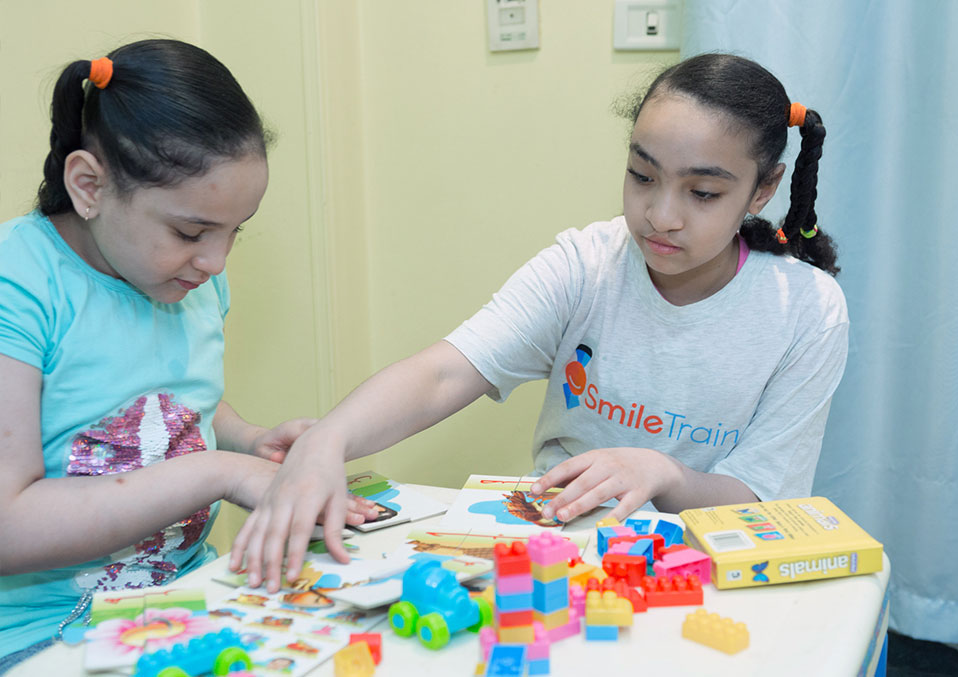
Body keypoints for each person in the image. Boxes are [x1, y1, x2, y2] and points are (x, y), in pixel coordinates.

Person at [230, 52, 848, 593]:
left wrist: (663, 472)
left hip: (710, 573)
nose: (661, 215)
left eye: (703, 194)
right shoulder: (586, 265)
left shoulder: (807, 310)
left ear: (763, 190)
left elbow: (762, 504)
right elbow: (445, 372)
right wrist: (326, 440)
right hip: (562, 560)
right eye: (641, 176)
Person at [0, 39, 378, 668]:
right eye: (191, 232)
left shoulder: (184, 275)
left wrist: (243, 439)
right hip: (43, 636)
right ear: (88, 185)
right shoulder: (19, 283)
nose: (216, 262)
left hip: (185, 602)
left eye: (236, 232)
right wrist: (218, 473)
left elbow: (173, 397)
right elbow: (7, 525)